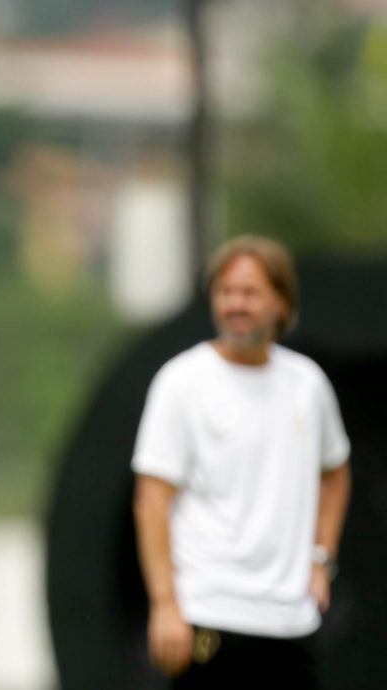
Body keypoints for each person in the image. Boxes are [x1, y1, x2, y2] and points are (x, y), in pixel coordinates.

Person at [131, 235, 351, 689]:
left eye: (249, 293)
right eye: (225, 292)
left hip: (290, 621)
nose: (235, 304)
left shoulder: (307, 384)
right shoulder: (182, 382)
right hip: (208, 614)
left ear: (281, 302)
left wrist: (320, 559)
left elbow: (336, 472)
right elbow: (152, 499)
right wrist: (165, 605)